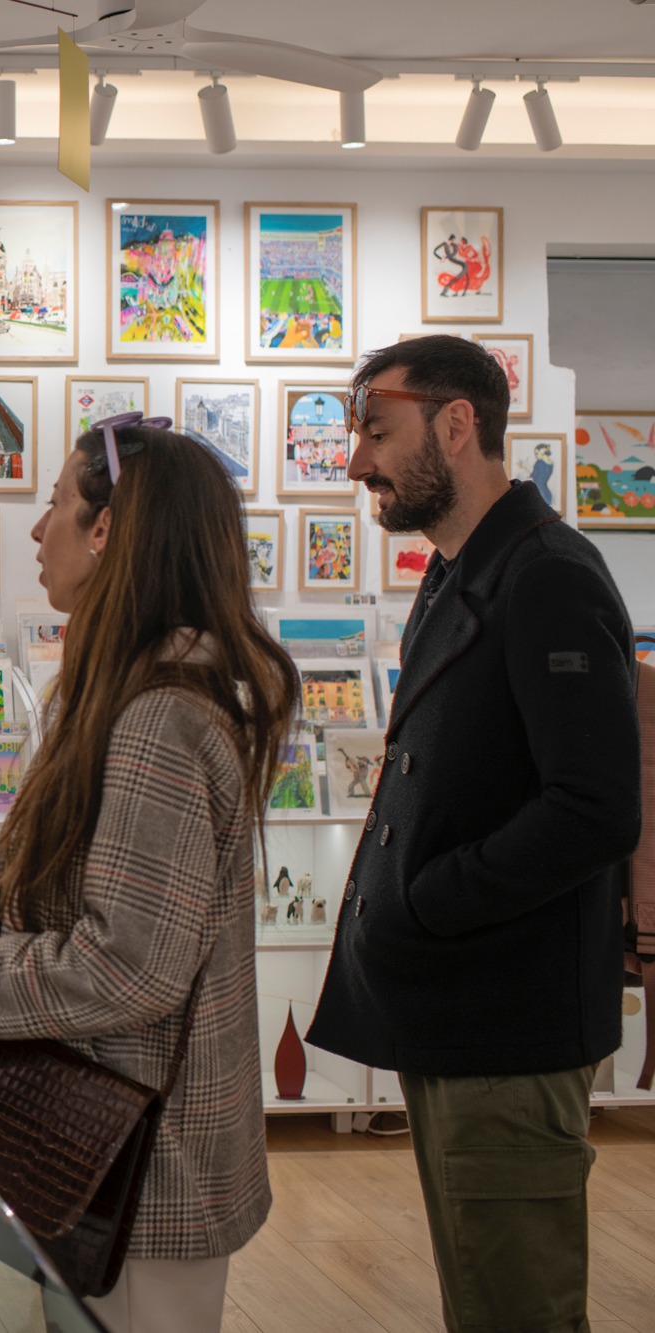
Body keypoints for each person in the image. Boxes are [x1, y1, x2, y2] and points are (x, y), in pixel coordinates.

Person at [0, 416, 298, 1332]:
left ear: (107, 531)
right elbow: (129, 910)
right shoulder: (137, 693)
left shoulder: (156, 720)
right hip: (108, 1143)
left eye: (57, 503)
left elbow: (130, 965)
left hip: (140, 1162)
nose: (36, 529)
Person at [307, 335, 640, 1333]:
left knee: (515, 1311)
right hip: (461, 1012)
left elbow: (592, 807)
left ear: (455, 427)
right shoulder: (462, 571)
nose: (355, 460)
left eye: (375, 432)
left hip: (511, 1020)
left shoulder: (543, 575)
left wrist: (427, 897)